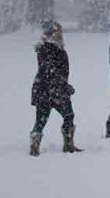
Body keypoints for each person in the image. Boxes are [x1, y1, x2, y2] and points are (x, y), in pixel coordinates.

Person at [29, 20, 82, 156]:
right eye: (58, 32)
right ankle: (68, 144)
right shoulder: (50, 50)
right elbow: (50, 71)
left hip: (45, 89)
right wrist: (64, 85)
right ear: (51, 33)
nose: (61, 34)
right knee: (67, 115)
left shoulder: (49, 49)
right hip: (54, 90)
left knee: (42, 119)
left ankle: (37, 144)